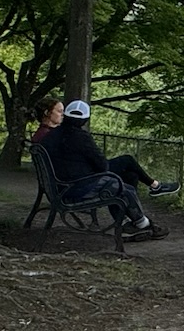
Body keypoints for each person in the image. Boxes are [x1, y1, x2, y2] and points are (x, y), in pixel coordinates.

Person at [39, 100, 168, 239]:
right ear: (85, 120)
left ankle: (126, 223)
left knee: (127, 177)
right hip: (75, 189)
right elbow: (103, 166)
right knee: (125, 188)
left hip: (59, 187)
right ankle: (144, 224)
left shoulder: (50, 137)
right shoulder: (81, 137)